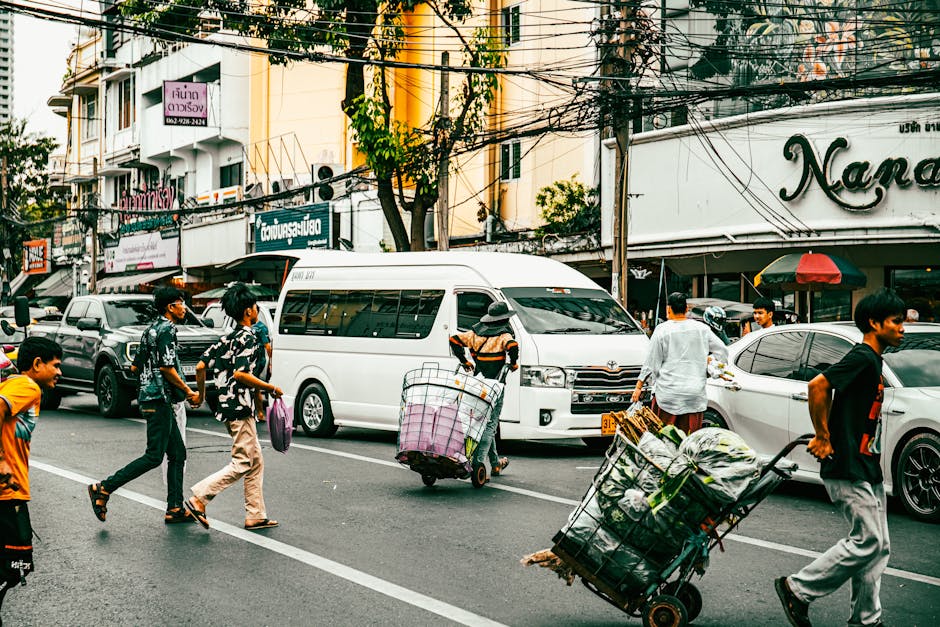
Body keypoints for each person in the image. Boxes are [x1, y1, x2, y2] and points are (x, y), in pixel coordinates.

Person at [775, 288, 905, 627]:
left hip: (866, 465)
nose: (902, 328)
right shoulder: (862, 357)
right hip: (847, 465)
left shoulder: (873, 361)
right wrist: (823, 436)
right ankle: (798, 588)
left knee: (878, 546)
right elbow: (818, 386)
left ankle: (866, 619)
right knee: (869, 540)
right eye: (896, 321)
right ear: (874, 323)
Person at [88, 287, 198, 525]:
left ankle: (175, 508)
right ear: (170, 307)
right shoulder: (168, 329)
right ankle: (104, 487)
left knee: (177, 454)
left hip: (152, 397)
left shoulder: (150, 330)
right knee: (154, 456)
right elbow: (167, 368)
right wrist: (188, 391)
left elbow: (135, 366)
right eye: (181, 303)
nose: (184, 308)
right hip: (159, 399)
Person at [185, 283, 283, 531]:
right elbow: (241, 374)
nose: (256, 310)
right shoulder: (249, 338)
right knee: (243, 462)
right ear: (248, 310)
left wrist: (200, 395)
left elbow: (200, 366)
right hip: (240, 407)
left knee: (255, 461)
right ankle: (199, 498)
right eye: (255, 307)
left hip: (226, 407)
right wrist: (270, 388)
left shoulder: (227, 338)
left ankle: (255, 515)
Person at [0, 337, 62, 620]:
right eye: (55, 365)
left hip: (10, 491)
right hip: (7, 493)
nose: (59, 372)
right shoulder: (27, 386)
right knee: (14, 566)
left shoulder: (13, 384)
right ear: (37, 364)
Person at [631, 292, 727, 434]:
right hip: (694, 396)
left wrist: (639, 387)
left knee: (665, 439)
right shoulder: (702, 329)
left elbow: (651, 363)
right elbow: (723, 352)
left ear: (668, 309)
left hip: (668, 396)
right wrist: (709, 363)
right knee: (689, 440)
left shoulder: (662, 330)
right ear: (687, 308)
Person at [449, 301, 519, 478]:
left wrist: (464, 361)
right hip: (495, 386)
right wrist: (513, 363)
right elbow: (513, 346)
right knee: (490, 425)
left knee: (481, 422)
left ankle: (495, 464)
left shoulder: (474, 334)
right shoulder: (503, 336)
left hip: (477, 385)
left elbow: (454, 340)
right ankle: (478, 463)